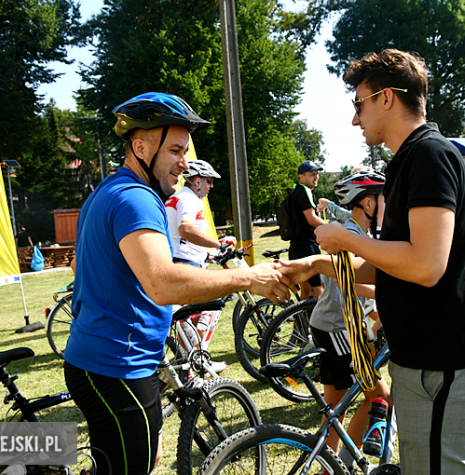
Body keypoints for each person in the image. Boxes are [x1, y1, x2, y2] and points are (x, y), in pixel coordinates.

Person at [280, 49, 465, 475]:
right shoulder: (406, 160)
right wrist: (317, 265)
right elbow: (394, 264)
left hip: (446, 359)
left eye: (357, 103)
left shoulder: (429, 156)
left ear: (386, 98)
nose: (354, 118)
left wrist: (347, 239)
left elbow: (426, 264)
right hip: (419, 358)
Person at [62, 92, 290, 475]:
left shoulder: (108, 191)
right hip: (117, 365)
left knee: (140, 456)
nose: (184, 164)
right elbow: (162, 282)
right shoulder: (136, 199)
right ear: (140, 146)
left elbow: (80, 268)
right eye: (174, 151)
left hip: (114, 359)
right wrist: (248, 277)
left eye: (185, 151)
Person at [309, 170, 389, 471]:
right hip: (339, 328)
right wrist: (390, 293)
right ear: (368, 204)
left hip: (327, 324)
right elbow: (347, 283)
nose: (388, 207)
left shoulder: (353, 230)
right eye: (384, 200)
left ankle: (329, 468)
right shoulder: (353, 236)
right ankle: (343, 465)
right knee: (379, 398)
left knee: (335, 406)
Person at [164, 159, 228, 373]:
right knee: (210, 309)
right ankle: (198, 361)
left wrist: (207, 255)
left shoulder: (178, 198)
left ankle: (191, 364)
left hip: (184, 262)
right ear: (197, 179)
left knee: (189, 318)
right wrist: (217, 243)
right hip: (186, 265)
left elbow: (178, 237)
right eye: (209, 181)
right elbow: (186, 230)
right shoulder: (189, 199)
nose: (211, 186)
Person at [289, 160, 326, 300]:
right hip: (307, 247)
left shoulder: (295, 191)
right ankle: (324, 322)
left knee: (306, 289)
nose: (316, 177)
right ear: (301, 177)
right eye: (312, 174)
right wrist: (332, 229)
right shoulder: (304, 191)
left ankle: (302, 321)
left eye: (317, 174)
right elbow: (312, 219)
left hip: (296, 247)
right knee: (319, 289)